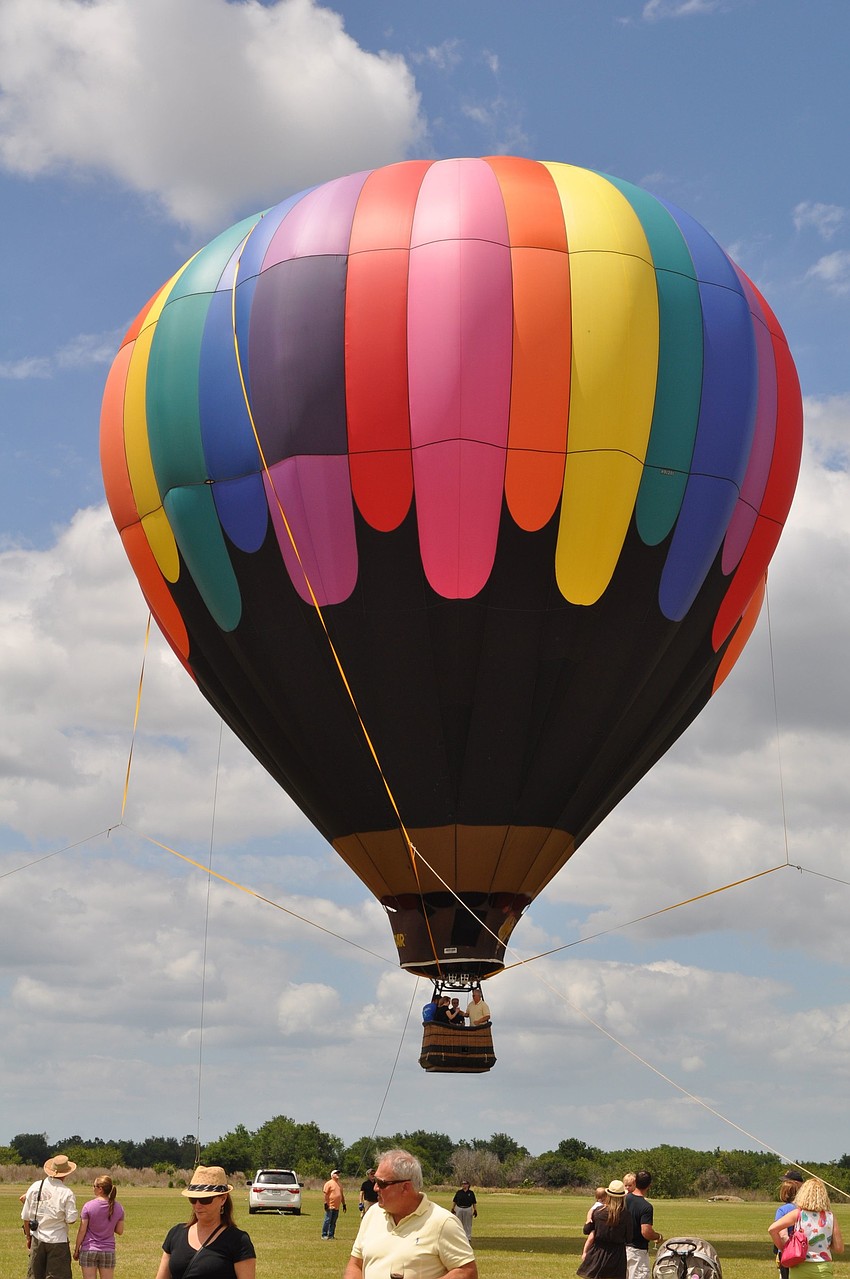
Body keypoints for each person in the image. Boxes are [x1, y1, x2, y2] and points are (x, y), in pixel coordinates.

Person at [343, 1148, 477, 1279]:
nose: (375, 1188)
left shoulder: (443, 1222)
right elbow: (355, 1264)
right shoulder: (372, 1214)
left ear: (405, 1187)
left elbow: (467, 1272)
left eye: (381, 1183)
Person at [153, 1165, 255, 1279]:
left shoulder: (238, 1241)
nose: (197, 1205)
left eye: (205, 1200)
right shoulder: (176, 1233)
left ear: (223, 1199)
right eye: (193, 1199)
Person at [769, 1177, 844, 1277]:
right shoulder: (830, 1217)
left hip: (799, 1265)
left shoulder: (798, 1214)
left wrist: (783, 1248)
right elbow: (839, 1248)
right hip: (823, 1267)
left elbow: (772, 1229)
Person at [21, 1153, 79, 1279]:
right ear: (66, 1173)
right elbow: (71, 1219)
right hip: (58, 1240)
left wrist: (28, 1237)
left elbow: (26, 1217)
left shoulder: (35, 1186)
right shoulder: (67, 1193)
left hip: (37, 1238)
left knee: (35, 1275)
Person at [578, 1180, 634, 1279]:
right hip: (617, 1254)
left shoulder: (598, 1212)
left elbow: (586, 1230)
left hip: (598, 1251)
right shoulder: (626, 1215)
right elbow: (629, 1238)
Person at [73, 1176, 125, 1279]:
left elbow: (82, 1230)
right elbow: (119, 1231)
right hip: (108, 1250)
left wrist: (76, 1249)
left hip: (89, 1249)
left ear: (100, 1189)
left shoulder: (88, 1206)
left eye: (94, 1186)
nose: (93, 1188)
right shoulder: (119, 1208)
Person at [625, 1171, 662, 1279]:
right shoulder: (646, 1206)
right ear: (649, 1185)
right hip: (637, 1251)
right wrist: (657, 1236)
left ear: (635, 1182)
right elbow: (646, 1231)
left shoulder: (624, 1199)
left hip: (621, 1248)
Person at [772, 1171, 804, 1279]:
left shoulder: (783, 1210)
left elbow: (782, 1235)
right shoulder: (806, 1208)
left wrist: (787, 1252)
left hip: (789, 1254)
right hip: (803, 1253)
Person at [323, 1169, 347, 1239]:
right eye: (336, 1173)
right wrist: (325, 1203)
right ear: (332, 1175)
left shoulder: (339, 1184)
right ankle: (324, 1234)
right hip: (330, 1205)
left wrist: (344, 1204)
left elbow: (341, 1195)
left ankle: (331, 1235)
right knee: (327, 1220)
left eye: (338, 1173)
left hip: (337, 1206)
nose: (337, 1175)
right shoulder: (329, 1183)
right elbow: (326, 1194)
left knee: (333, 1222)